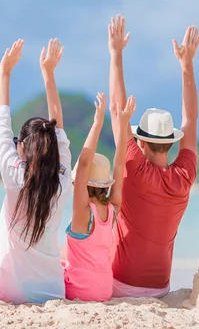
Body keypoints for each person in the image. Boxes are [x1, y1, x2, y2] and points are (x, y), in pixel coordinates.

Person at [108, 15, 199, 298]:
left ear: (142, 143)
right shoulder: (184, 176)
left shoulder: (135, 169)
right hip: (161, 288)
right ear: (171, 144)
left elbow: (116, 109)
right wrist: (187, 66)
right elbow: (191, 120)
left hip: (120, 283)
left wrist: (116, 54)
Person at [0, 38, 72, 304]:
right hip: (53, 292)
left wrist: (4, 71)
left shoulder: (15, 177)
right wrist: (49, 74)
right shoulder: (62, 180)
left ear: (21, 147)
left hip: (8, 293)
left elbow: (0, 123)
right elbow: (58, 129)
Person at [63, 92, 136, 301]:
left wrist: (97, 122)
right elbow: (120, 164)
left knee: (56, 262)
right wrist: (123, 125)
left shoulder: (83, 212)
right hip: (104, 290)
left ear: (83, 182)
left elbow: (85, 162)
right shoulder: (112, 210)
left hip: (80, 292)